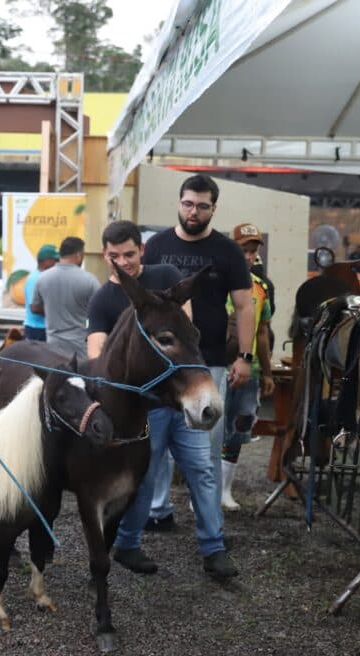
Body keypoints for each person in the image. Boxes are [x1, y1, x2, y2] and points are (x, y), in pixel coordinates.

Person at [86, 220, 238, 579]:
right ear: (105, 255)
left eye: (129, 253)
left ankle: (214, 548)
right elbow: (96, 351)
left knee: (201, 468)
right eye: (115, 256)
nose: (123, 262)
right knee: (146, 476)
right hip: (144, 406)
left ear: (142, 250)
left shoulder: (166, 275)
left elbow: (184, 333)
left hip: (182, 394)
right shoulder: (103, 299)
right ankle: (127, 544)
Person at [141, 174, 255, 534]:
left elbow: (245, 306)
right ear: (179, 203)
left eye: (202, 206)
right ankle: (157, 510)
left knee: (207, 439)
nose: (194, 211)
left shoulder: (228, 251)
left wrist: (245, 356)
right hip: (161, 363)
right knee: (155, 439)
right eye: (188, 204)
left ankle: (207, 516)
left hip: (210, 361)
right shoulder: (156, 246)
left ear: (213, 209)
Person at [220, 223, 276, 511]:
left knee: (240, 427)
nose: (250, 256)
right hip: (218, 368)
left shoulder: (261, 287)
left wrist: (267, 372)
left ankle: (224, 489)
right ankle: (203, 491)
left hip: (249, 371)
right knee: (211, 429)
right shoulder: (216, 281)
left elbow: (263, 332)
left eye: (253, 251)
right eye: (244, 250)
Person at [30, 236, 100, 362]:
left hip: (53, 348)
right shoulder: (90, 280)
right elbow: (99, 314)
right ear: (78, 255)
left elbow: (34, 307)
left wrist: (52, 308)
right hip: (80, 349)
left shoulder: (43, 278)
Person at [22, 244, 59, 341]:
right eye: (55, 260)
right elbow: (34, 307)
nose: (57, 263)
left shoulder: (47, 277)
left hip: (46, 328)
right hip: (37, 330)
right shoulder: (35, 278)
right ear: (45, 261)